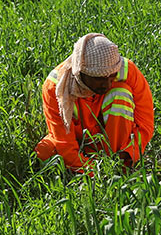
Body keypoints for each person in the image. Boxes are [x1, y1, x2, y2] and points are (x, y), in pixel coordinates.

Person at [35, 33, 154, 172]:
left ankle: (116, 162)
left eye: (112, 76)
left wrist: (127, 153)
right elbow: (64, 143)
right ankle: (96, 165)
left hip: (110, 139)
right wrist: (95, 172)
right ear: (80, 72)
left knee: (121, 93)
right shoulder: (56, 87)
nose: (107, 84)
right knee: (43, 152)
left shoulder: (127, 71)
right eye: (99, 78)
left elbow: (145, 123)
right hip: (75, 139)